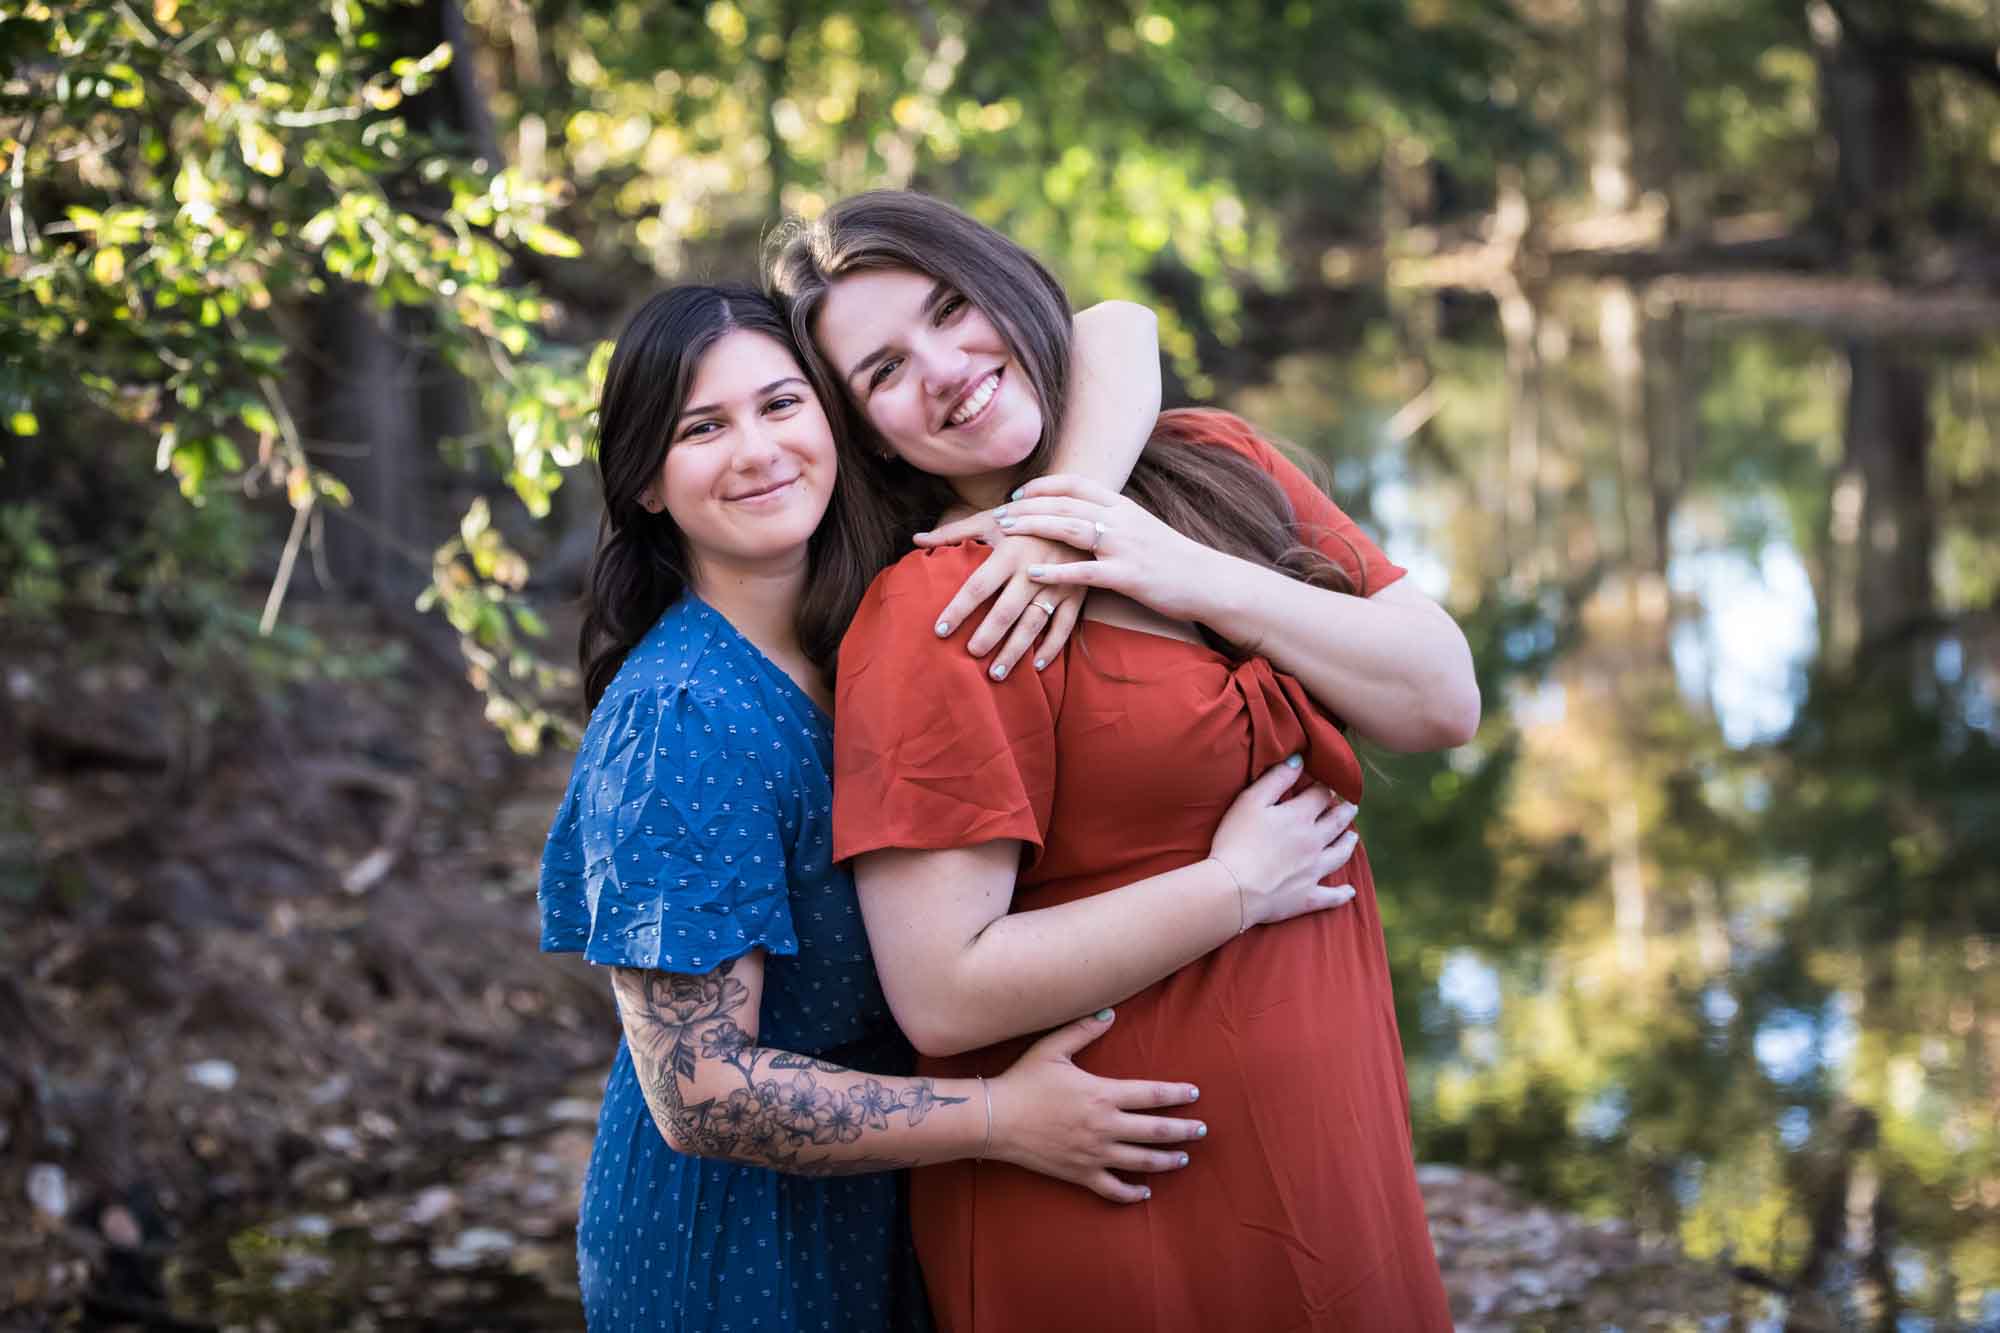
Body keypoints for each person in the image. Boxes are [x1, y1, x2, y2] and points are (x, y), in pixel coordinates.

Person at [537, 283, 1363, 1332]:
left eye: (781, 405)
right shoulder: (682, 715)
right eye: (702, 428)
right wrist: (997, 1117)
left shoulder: (864, 616)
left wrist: (1052, 521)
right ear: (647, 483)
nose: (755, 451)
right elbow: (699, 1089)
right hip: (732, 1258)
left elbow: (1112, 328)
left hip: (881, 1216)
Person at [769, 190, 1479, 1331]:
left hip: (1330, 1159)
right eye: (886, 372)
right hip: (1123, 1192)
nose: (947, 368)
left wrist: (1176, 568)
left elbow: (1440, 697)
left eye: (955, 309)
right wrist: (1231, 889)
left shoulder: (1211, 467)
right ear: (870, 437)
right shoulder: (943, 613)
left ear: (1009, 286)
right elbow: (943, 991)